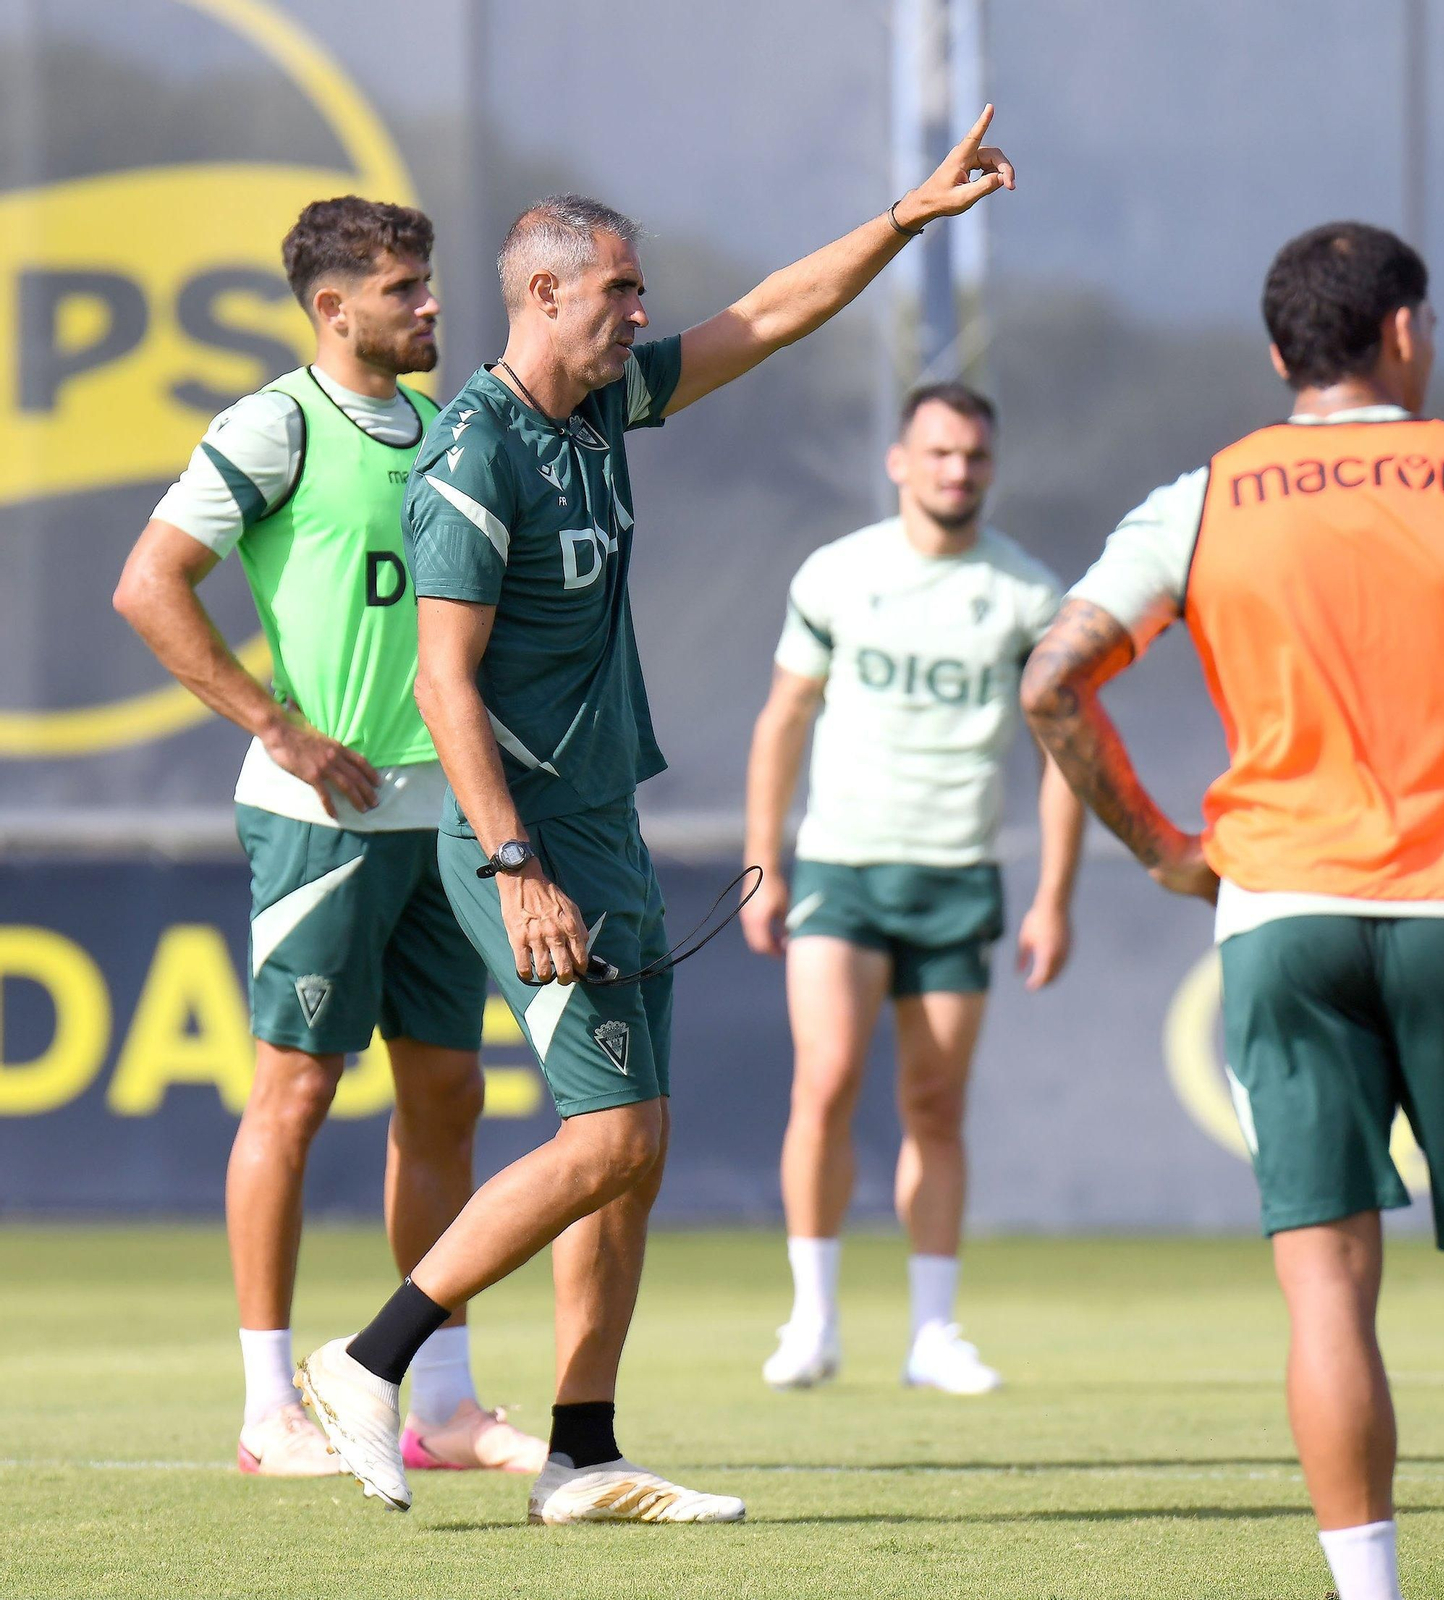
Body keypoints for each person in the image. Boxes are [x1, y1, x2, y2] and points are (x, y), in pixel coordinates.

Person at [293, 109, 1017, 1524]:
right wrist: (516, 866)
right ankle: (367, 1359)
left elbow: (771, 314)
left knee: (636, 1149)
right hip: (523, 842)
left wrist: (903, 219)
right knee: (611, 1139)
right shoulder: (474, 456)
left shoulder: (603, 407)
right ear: (544, 290)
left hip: (603, 827)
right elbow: (442, 684)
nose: (641, 312)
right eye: (619, 289)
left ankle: (583, 1451)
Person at [1020, 219, 1444, 1600]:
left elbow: (1051, 681)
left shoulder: (1204, 498)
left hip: (1280, 914)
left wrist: (1167, 851)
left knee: (1328, 1286)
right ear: (1401, 332)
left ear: (1281, 352)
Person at [114, 197, 545, 1479]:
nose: (430, 304)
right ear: (332, 307)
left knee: (447, 1096)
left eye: (427, 281)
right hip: (325, 821)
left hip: (440, 817)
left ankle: (442, 1403)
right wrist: (276, 724)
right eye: (404, 288)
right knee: (296, 1091)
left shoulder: (445, 425)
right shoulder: (277, 424)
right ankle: (267, 1409)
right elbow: (148, 584)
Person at [740, 382, 1081, 1394]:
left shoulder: (1028, 596)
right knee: (827, 1079)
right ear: (899, 461)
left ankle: (934, 1332)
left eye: (973, 456)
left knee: (935, 1103)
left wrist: (1053, 897)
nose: (955, 471)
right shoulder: (838, 574)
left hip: (955, 877)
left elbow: (1063, 760)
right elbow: (783, 719)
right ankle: (811, 1319)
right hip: (841, 868)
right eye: (937, 452)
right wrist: (764, 862)